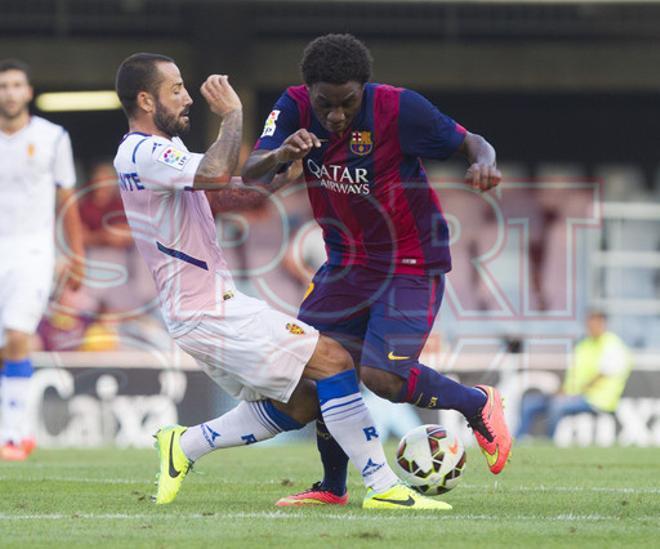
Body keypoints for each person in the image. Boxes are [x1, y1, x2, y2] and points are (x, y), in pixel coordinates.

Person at [113, 52, 451, 510]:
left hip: (204, 309)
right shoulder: (144, 151)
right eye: (176, 89)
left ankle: (186, 445)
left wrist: (281, 174)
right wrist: (233, 114)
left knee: (304, 402)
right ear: (145, 100)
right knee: (333, 360)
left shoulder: (153, 156)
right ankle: (385, 488)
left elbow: (223, 194)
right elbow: (214, 171)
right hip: (207, 310)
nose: (188, 97)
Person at [242, 33, 512, 506]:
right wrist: (284, 153)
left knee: (383, 378)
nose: (336, 115)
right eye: (326, 104)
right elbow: (253, 171)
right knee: (320, 367)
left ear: (364, 88)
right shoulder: (292, 108)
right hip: (347, 264)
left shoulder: (399, 108)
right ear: (309, 91)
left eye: (347, 103)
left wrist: (485, 163)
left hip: (410, 260)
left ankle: (477, 403)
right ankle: (332, 486)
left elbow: (474, 143)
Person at [0, 59, 85, 461]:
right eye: (4, 86)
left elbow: (67, 201)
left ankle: (13, 436)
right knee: (6, 346)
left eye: (17, 85)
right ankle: (15, 426)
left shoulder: (52, 137)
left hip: (33, 251)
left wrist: (77, 254)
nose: (10, 93)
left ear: (28, 91)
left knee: (18, 335)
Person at [516, 311, 632, 439]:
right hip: (574, 394)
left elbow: (600, 377)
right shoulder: (584, 344)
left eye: (595, 323)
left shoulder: (612, 345)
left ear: (603, 324)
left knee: (558, 405)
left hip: (598, 399)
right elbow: (574, 376)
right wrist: (563, 391)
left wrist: (571, 393)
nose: (591, 327)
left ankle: (548, 442)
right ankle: (517, 440)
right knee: (530, 403)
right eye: (589, 323)